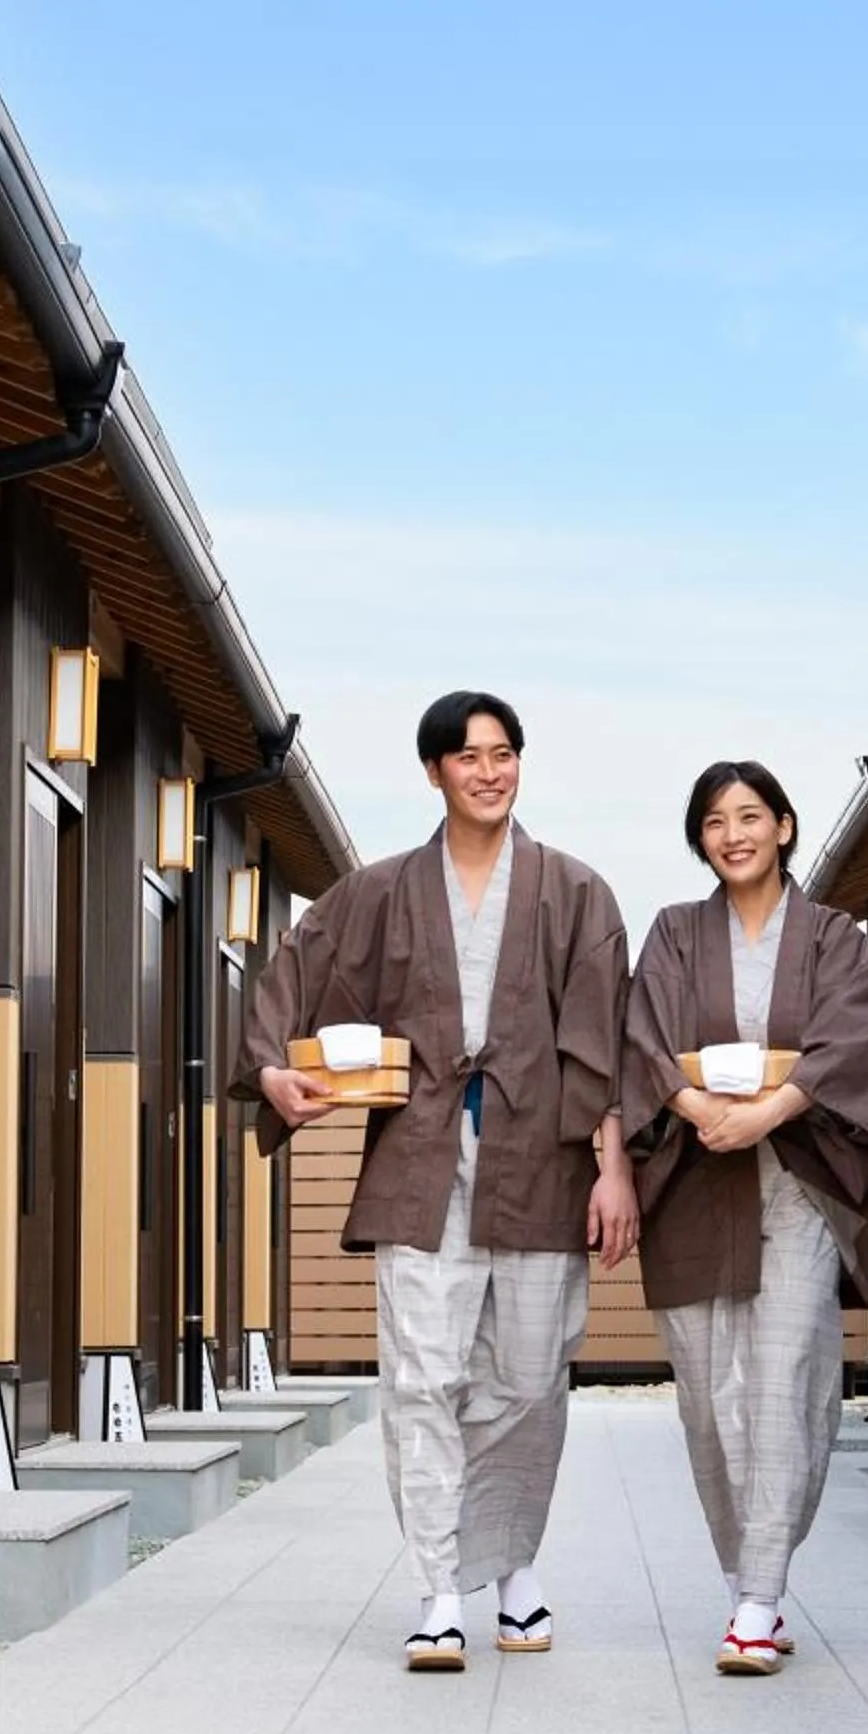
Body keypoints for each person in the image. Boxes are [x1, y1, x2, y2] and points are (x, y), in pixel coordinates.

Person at [238, 691, 637, 1671]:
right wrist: (272, 1069)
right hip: (421, 1161)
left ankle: (511, 1566)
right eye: (468, 756)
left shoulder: (576, 891)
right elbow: (294, 966)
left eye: (504, 753)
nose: (489, 772)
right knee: (422, 1379)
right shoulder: (380, 890)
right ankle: (438, 1590)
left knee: (530, 1379)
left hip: (541, 1164)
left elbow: (604, 1042)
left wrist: (614, 1169)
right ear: (434, 771)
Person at [621, 759, 868, 1676]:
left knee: (787, 1380)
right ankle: (749, 1581)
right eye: (714, 821)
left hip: (798, 1178)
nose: (733, 834)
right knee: (709, 1401)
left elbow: (858, 1039)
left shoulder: (830, 936)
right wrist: (698, 1107)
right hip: (695, 1177)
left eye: (750, 816)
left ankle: (757, 1600)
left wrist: (769, 1112)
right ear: (699, 840)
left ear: (784, 826)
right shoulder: (675, 932)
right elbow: (642, 1038)